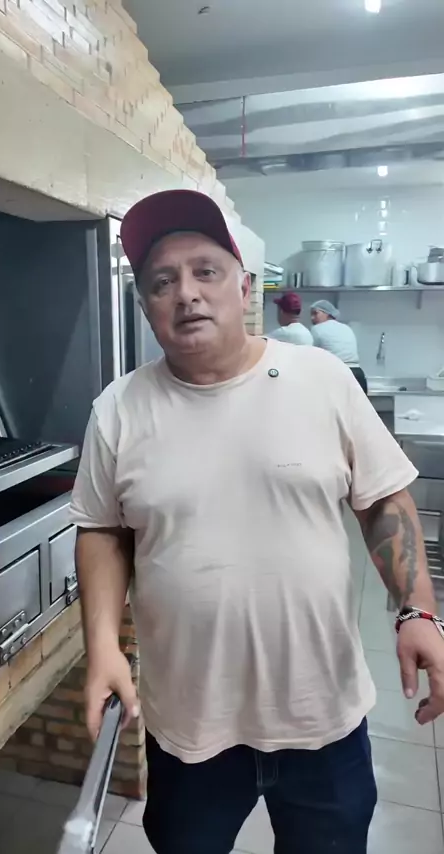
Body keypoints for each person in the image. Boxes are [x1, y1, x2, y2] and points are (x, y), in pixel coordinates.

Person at [70, 189, 444, 854]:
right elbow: (101, 529)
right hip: (190, 725)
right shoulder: (118, 410)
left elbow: (382, 500)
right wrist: (101, 646)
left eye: (205, 271)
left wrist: (418, 610)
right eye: (163, 281)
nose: (186, 293)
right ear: (146, 306)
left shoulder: (322, 379)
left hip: (321, 718)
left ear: (244, 288)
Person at [310, 299, 368, 394]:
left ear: (327, 313)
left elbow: (310, 356)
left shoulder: (316, 329)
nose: (312, 318)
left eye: (315, 313)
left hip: (337, 374)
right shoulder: (347, 328)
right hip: (358, 374)